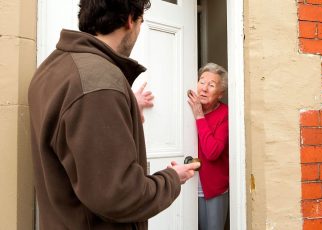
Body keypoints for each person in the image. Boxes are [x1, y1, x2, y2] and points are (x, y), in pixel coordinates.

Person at [28, 0, 200, 229]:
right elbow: (121, 195)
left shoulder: (54, 67)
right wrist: (172, 178)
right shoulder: (99, 85)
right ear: (130, 20)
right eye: (140, 23)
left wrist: (124, 107)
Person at [187, 63, 229, 230]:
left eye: (211, 85)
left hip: (212, 189)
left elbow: (212, 152)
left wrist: (199, 115)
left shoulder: (225, 114)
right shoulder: (185, 108)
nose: (204, 88)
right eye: (202, 82)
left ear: (220, 94)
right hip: (186, 184)